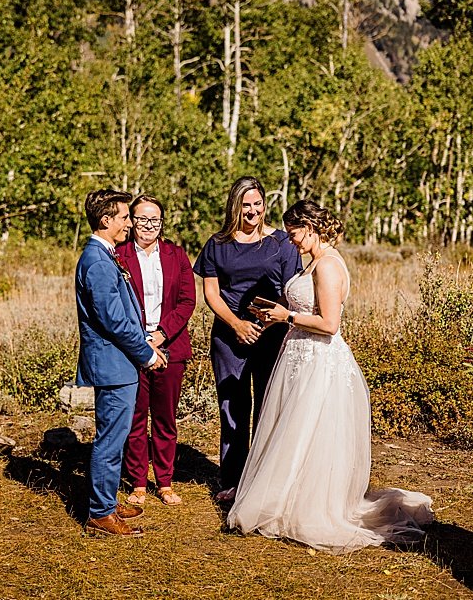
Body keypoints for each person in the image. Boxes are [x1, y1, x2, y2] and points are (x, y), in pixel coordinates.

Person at [228, 200, 433, 551]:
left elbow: (329, 324)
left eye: (293, 234)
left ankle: (308, 505)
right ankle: (285, 496)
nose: (291, 240)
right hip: (298, 356)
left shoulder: (329, 266)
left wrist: (286, 317)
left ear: (309, 227)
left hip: (319, 360)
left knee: (309, 430)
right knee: (292, 431)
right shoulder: (314, 263)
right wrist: (277, 313)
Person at [194, 176, 301, 504]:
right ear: (235, 206)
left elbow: (291, 291)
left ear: (265, 205)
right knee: (233, 408)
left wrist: (268, 322)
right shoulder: (217, 244)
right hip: (229, 338)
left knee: (270, 407)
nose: (252, 211)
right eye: (246, 205)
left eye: (257, 204)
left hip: (272, 336)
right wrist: (237, 324)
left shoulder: (283, 243)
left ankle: (266, 482)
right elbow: (211, 291)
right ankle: (234, 480)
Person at [74, 189, 167, 536]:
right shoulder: (97, 262)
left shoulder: (104, 255)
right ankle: (100, 513)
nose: (131, 223)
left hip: (119, 362)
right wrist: (145, 354)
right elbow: (113, 320)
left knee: (117, 434)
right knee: (111, 440)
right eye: (125, 217)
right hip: (113, 365)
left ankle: (108, 503)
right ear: (106, 220)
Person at [115, 194, 195, 507]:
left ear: (161, 223)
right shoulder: (118, 255)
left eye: (155, 220)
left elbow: (188, 301)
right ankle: (136, 482)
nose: (148, 226)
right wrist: (140, 342)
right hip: (131, 349)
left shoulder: (176, 255)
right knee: (135, 418)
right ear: (131, 222)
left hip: (170, 347)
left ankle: (164, 481)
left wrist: (160, 335)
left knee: (165, 418)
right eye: (142, 219)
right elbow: (115, 305)